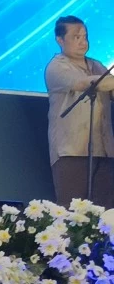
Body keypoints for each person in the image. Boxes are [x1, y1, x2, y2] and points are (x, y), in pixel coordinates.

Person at [45, 15, 114, 206]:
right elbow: (85, 83)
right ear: (60, 40)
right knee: (73, 214)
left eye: (85, 36)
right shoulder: (57, 66)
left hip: (105, 151)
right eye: (76, 37)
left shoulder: (96, 65)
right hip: (71, 151)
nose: (83, 42)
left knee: (105, 214)